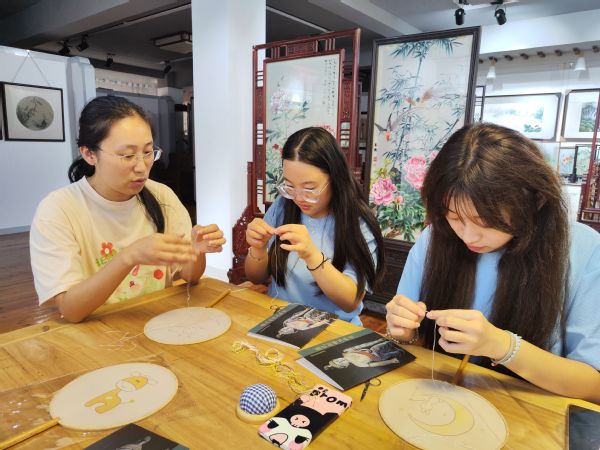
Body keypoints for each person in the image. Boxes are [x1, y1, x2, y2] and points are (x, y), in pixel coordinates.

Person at [385, 122, 600, 403]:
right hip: (440, 399)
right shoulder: (435, 239)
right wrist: (403, 330)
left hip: (530, 410)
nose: (468, 236)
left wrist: (503, 346)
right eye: (454, 217)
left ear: (535, 201)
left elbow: (593, 385)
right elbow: (406, 336)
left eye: (486, 222)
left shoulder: (583, 249)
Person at [30, 96, 225, 322]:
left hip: (157, 322)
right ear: (89, 154)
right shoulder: (58, 210)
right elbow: (71, 310)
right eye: (127, 155)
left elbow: (189, 275)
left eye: (148, 152)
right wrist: (129, 257)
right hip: (96, 331)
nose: (142, 167)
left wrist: (196, 251)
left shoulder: (162, 196)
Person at [245, 126, 385, 325]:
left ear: (335, 178)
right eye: (290, 186)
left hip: (333, 327)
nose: (298, 198)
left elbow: (351, 302)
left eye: (309, 188)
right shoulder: (283, 206)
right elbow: (256, 277)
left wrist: (312, 256)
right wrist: (258, 248)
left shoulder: (357, 223)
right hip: (279, 319)